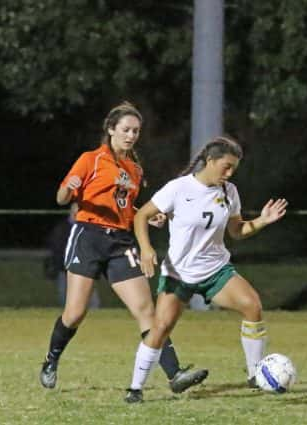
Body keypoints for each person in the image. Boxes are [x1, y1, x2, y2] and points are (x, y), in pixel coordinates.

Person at [39, 101, 207, 393]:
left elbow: (126, 209)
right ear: (111, 130)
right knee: (75, 313)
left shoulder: (135, 170)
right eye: (126, 129)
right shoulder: (90, 159)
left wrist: (148, 215)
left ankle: (174, 374)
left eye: (136, 131)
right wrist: (69, 188)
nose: (131, 135)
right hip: (88, 237)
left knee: (146, 311)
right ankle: (51, 360)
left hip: (120, 242)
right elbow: (62, 199)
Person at [125, 136, 288, 403]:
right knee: (161, 327)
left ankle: (255, 375)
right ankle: (135, 389)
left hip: (216, 270)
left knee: (252, 306)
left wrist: (261, 221)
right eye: (226, 166)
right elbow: (141, 215)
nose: (230, 173)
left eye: (234, 168)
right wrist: (145, 248)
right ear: (210, 161)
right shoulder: (178, 188)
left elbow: (236, 231)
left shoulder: (229, 191)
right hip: (179, 273)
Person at [44, 203, 100, 308]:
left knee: (92, 304)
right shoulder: (62, 229)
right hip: (65, 271)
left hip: (85, 271)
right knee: (66, 303)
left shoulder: (89, 228)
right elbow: (56, 250)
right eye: (75, 211)